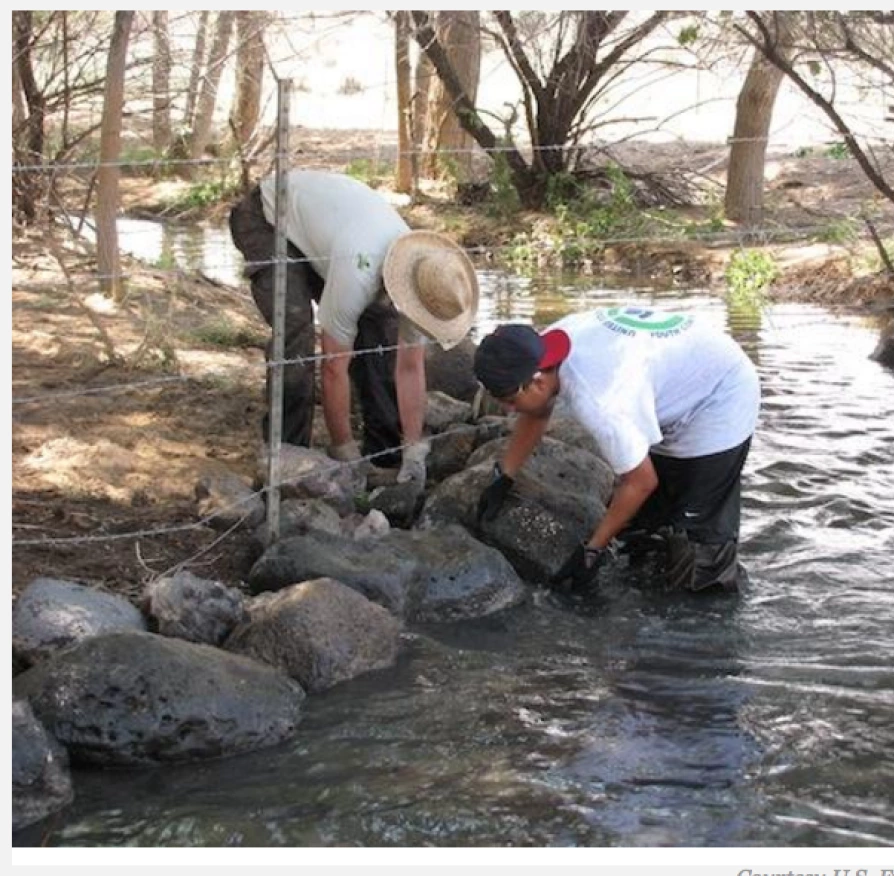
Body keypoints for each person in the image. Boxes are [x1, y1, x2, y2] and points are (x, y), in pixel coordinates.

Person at [472, 306, 760, 593]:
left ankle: (706, 619)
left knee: (700, 548)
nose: (507, 409)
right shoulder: (541, 350)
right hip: (678, 375)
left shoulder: (601, 400)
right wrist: (504, 475)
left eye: (509, 399)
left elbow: (641, 481)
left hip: (721, 394)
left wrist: (591, 552)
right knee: (647, 529)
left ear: (536, 381)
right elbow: (536, 410)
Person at [229, 169, 479, 487]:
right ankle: (287, 464)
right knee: (296, 332)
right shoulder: (359, 272)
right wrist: (342, 450)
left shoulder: (423, 279)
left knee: (380, 332)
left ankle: (383, 454)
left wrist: (414, 446)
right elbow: (334, 367)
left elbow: (410, 368)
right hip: (268, 217)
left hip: (327, 229)